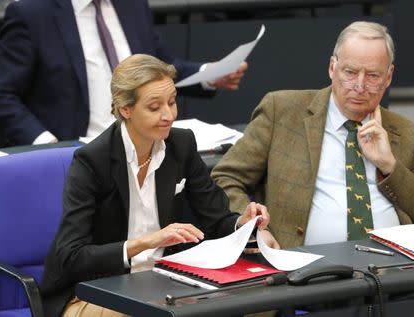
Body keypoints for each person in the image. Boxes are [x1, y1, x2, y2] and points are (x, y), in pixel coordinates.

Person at [39, 54, 275, 317]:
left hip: (164, 284)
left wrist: (242, 224)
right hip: (95, 289)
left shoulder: (181, 145)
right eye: (154, 107)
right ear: (125, 109)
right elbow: (72, 257)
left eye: (172, 103)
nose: (169, 115)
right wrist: (146, 242)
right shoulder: (92, 162)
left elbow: (216, 219)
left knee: (260, 303)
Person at [211, 21, 414, 250]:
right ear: (332, 68)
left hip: (392, 272)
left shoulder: (404, 132)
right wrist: (253, 226)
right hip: (304, 271)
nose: (360, 85)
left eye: (373, 75)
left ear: (389, 77)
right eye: (350, 72)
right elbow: (225, 177)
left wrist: (390, 166)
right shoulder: (282, 111)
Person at [0, 0, 247, 146]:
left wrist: (209, 74)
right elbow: (3, 94)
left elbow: (158, 67)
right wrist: (47, 146)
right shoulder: (32, 13)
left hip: (144, 149)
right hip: (76, 153)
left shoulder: (132, 5)